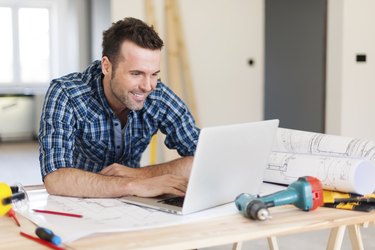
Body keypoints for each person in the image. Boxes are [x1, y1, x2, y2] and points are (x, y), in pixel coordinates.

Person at [38, 17, 200, 198]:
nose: (148, 86)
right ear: (106, 66)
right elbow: (55, 178)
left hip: (133, 204)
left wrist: (141, 175)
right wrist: (133, 185)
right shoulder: (66, 93)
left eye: (154, 74)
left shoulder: (158, 96)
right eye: (136, 73)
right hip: (79, 200)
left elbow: (203, 158)